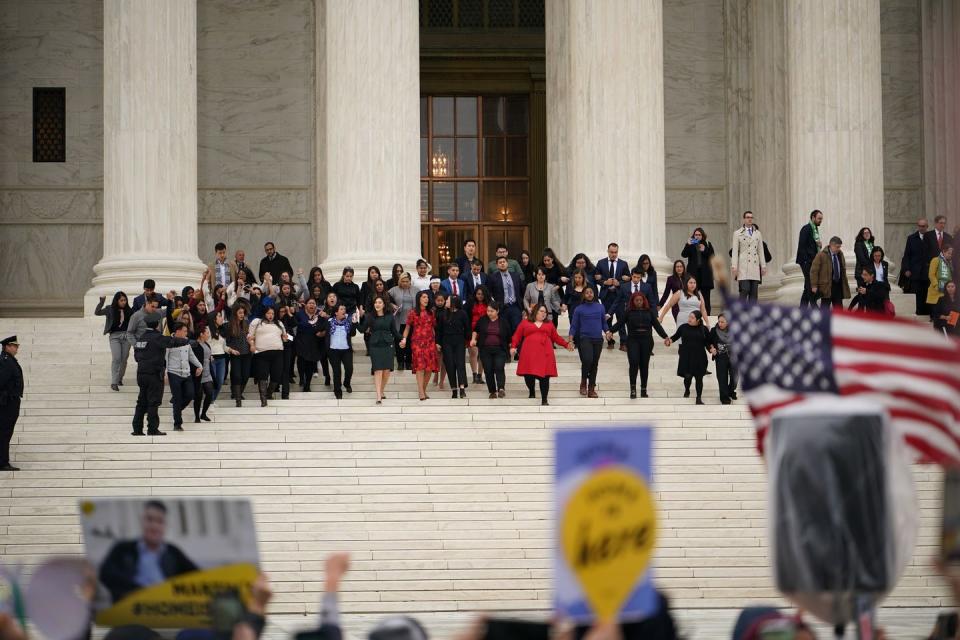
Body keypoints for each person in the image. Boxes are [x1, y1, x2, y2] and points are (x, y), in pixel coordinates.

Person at [98, 500, 199, 604]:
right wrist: (142, 591)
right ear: (142, 521)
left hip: (165, 609)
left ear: (165, 526)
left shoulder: (173, 552)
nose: (154, 526)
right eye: (149, 519)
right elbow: (105, 574)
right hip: (130, 609)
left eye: (160, 521)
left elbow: (198, 577)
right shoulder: (123, 549)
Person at [131, 320, 189, 436]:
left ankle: (137, 429)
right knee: (153, 402)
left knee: (141, 401)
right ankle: (152, 428)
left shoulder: (140, 338)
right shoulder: (158, 337)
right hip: (154, 374)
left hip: (141, 373)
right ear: (158, 325)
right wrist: (189, 341)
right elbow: (173, 342)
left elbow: (136, 357)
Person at [510, 304, 573, 406]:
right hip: (528, 354)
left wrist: (566, 345)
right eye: (541, 311)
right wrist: (513, 346)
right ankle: (531, 390)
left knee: (545, 377)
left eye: (545, 312)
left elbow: (556, 337)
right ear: (535, 311)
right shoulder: (525, 322)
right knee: (528, 376)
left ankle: (544, 399)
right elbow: (517, 335)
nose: (544, 313)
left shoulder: (549, 324)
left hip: (545, 354)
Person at [608, 293, 668, 399]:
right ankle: (633, 390)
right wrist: (610, 331)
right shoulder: (628, 312)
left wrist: (665, 337)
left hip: (647, 341)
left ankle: (643, 389)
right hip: (633, 341)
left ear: (644, 300)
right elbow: (619, 323)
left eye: (641, 300)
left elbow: (657, 326)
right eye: (636, 300)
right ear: (633, 301)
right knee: (634, 363)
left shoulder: (649, 312)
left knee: (644, 365)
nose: (639, 302)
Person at [665, 310, 715, 405]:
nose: (689, 319)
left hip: (700, 357)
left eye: (692, 318)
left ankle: (698, 398)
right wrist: (669, 341)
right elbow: (675, 337)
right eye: (689, 317)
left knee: (699, 378)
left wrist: (711, 349)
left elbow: (707, 343)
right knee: (688, 377)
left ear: (698, 320)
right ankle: (687, 389)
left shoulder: (703, 329)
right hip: (686, 356)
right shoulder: (683, 327)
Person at [359, 296, 401, 404]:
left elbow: (395, 332)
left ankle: (381, 390)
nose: (377, 304)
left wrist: (403, 338)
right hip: (375, 345)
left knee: (386, 371)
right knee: (378, 370)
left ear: (383, 304)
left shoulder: (390, 317)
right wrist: (356, 321)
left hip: (388, 344)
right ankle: (378, 395)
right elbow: (362, 329)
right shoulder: (369, 316)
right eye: (375, 302)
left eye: (379, 302)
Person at [400, 291, 439, 401]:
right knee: (420, 366)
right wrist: (404, 339)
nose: (426, 299)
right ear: (419, 299)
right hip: (417, 342)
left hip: (430, 342)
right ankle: (421, 392)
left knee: (429, 367)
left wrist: (436, 342)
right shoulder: (413, 312)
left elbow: (433, 328)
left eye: (427, 297)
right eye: (424, 297)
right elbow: (407, 328)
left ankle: (423, 390)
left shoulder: (431, 312)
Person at [568, 286, 605, 398]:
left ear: (594, 294)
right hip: (585, 338)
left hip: (598, 339)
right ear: (583, 295)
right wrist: (570, 339)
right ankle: (584, 381)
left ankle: (591, 389)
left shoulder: (600, 307)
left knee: (594, 364)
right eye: (587, 292)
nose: (589, 294)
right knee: (587, 360)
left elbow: (604, 323)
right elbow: (574, 325)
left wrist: (608, 332)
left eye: (591, 292)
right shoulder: (579, 309)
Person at [166, 322, 202, 432]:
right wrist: (165, 372)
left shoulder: (186, 342)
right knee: (177, 398)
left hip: (186, 373)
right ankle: (177, 423)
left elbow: (191, 356)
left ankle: (177, 410)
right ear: (178, 331)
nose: (186, 333)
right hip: (174, 373)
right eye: (185, 331)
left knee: (190, 394)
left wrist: (200, 366)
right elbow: (165, 358)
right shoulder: (169, 342)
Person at [248, 305, 287, 406]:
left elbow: (285, 337)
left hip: (277, 353)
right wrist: (252, 345)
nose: (271, 315)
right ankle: (263, 400)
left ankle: (269, 393)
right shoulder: (256, 322)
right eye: (268, 313)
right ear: (264, 313)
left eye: (273, 313)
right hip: (261, 353)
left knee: (276, 376)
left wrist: (286, 338)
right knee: (262, 376)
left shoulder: (279, 323)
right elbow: (250, 336)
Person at [471, 302, 511, 399]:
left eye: (492, 311)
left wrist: (511, 347)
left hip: (500, 349)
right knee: (488, 370)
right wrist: (473, 339)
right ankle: (492, 391)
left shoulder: (503, 322)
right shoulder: (482, 320)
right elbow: (475, 330)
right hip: (485, 349)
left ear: (497, 311)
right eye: (488, 311)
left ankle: (501, 388)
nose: (489, 313)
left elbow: (509, 336)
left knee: (499, 367)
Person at [435, 295, 471, 399]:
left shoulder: (462, 314)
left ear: (454, 302)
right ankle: (454, 389)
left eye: (447, 300)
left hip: (459, 341)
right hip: (446, 342)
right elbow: (439, 330)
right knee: (450, 365)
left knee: (460, 364)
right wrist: (438, 342)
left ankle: (462, 387)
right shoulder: (443, 314)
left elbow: (467, 329)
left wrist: (467, 339)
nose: (446, 301)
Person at [596, 242, 630, 347]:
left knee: (621, 319)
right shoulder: (600, 263)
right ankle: (610, 341)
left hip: (619, 296)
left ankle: (623, 343)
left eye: (615, 252)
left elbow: (628, 278)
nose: (613, 254)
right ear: (608, 251)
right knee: (607, 319)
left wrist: (619, 283)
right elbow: (596, 277)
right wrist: (605, 282)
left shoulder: (623, 264)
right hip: (606, 296)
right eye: (611, 252)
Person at [96, 291, 132, 391]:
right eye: (121, 300)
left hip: (126, 336)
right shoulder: (110, 309)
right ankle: (114, 382)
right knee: (117, 358)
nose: (124, 302)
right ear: (117, 301)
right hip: (114, 336)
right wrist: (102, 301)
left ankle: (120, 378)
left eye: (125, 300)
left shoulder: (129, 310)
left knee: (124, 359)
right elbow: (97, 312)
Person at [731, 210, 767, 301]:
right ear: (744, 219)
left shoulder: (758, 233)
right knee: (745, 290)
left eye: (751, 217)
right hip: (743, 266)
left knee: (754, 294)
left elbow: (760, 250)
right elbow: (734, 251)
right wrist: (734, 266)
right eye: (748, 217)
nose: (750, 219)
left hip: (754, 266)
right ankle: (740, 311)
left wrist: (763, 265)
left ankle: (752, 313)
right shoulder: (737, 233)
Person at [0, 336, 23, 471]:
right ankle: (3, 462)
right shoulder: (5, 361)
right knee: (4, 432)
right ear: (7, 346)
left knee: (6, 432)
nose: (16, 348)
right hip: (7, 403)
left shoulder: (9, 360)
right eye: (14, 346)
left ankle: (3, 461)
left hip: (10, 401)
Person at [681, 227, 716, 314]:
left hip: (705, 275)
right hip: (693, 275)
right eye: (696, 235)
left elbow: (712, 257)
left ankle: (707, 315)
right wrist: (688, 245)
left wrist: (704, 250)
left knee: (706, 297)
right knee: (692, 295)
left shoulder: (707, 244)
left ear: (702, 236)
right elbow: (683, 254)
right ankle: (692, 314)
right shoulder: (690, 244)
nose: (697, 236)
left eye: (699, 235)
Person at [809, 235, 850, 309]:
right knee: (824, 310)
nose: (839, 249)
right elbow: (814, 271)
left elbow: (843, 270)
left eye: (840, 247)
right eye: (837, 247)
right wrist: (814, 285)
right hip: (826, 288)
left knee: (839, 310)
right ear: (831, 245)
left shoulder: (840, 254)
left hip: (838, 287)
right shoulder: (821, 255)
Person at [294, 298, 326, 392]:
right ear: (306, 305)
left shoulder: (320, 314)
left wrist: (322, 333)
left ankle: (307, 384)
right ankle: (301, 378)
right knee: (302, 362)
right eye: (309, 303)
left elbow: (326, 326)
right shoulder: (300, 313)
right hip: (301, 341)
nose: (312, 305)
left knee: (311, 364)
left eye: (313, 303)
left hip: (315, 342)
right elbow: (294, 324)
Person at [489, 255, 524, 337]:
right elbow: (489, 292)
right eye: (500, 263)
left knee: (517, 328)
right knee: (504, 329)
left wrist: (522, 305)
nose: (502, 264)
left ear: (507, 263)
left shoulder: (515, 276)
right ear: (497, 265)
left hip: (515, 306)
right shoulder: (493, 277)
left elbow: (522, 290)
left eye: (504, 262)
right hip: (502, 308)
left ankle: (516, 347)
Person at [901, 218, 931, 315]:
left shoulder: (931, 238)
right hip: (915, 272)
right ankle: (917, 313)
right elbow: (907, 255)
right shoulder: (911, 238)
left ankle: (926, 313)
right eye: (919, 226)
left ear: (927, 226)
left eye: (923, 226)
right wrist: (906, 269)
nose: (921, 228)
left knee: (926, 293)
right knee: (916, 293)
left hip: (928, 272)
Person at [326, 304, 356, 400]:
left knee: (349, 369)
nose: (344, 311)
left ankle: (347, 383)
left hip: (346, 350)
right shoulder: (329, 322)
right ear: (336, 312)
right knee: (337, 371)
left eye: (345, 309)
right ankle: (337, 391)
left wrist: (354, 323)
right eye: (341, 309)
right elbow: (320, 330)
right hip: (333, 350)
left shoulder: (348, 322)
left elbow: (353, 333)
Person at [388, 273, 417, 371]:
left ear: (410, 281)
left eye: (407, 281)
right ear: (400, 281)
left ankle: (409, 362)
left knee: (409, 342)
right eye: (403, 281)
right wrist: (392, 305)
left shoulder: (416, 290)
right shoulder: (394, 290)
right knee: (399, 341)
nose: (405, 283)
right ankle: (400, 362)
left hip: (412, 321)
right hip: (398, 320)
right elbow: (385, 298)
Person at [225, 305, 252, 407]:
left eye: (243, 313)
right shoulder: (229, 325)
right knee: (236, 375)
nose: (242, 315)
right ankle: (237, 397)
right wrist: (231, 350)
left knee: (245, 375)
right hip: (235, 353)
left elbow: (250, 337)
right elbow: (226, 341)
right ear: (235, 313)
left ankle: (238, 393)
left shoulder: (246, 323)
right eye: (240, 312)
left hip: (247, 353)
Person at [795, 210, 824, 306]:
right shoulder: (806, 228)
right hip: (806, 261)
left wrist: (818, 245)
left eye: (821, 219)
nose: (821, 221)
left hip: (812, 261)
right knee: (810, 284)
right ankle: (814, 307)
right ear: (813, 217)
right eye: (819, 218)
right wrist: (806, 261)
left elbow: (811, 245)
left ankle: (802, 310)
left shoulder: (814, 229)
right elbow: (802, 245)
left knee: (807, 286)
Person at [709, 313, 737, 405]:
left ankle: (730, 390)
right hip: (720, 357)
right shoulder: (714, 330)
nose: (720, 323)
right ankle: (724, 398)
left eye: (722, 322)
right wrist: (711, 348)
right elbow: (708, 341)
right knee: (722, 378)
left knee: (735, 377)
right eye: (719, 321)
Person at [465, 284, 490, 384]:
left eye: (482, 294)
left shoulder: (489, 303)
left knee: (483, 354)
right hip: (472, 330)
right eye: (478, 294)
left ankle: (480, 375)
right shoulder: (470, 303)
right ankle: (474, 375)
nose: (480, 296)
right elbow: (465, 316)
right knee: (473, 352)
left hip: (484, 330)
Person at [191, 325, 215, 423]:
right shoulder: (195, 345)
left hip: (207, 372)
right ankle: (197, 416)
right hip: (198, 373)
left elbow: (208, 357)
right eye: (207, 333)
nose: (208, 335)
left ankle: (203, 414)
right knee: (198, 396)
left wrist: (210, 359)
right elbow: (191, 359)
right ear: (201, 334)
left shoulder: (207, 344)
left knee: (209, 393)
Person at [928, 243, 955, 314]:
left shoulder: (949, 263)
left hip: (945, 291)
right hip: (936, 290)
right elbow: (931, 274)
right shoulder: (935, 260)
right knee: (936, 314)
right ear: (943, 252)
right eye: (949, 253)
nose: (950, 255)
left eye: (951, 254)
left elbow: (949, 276)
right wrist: (936, 285)